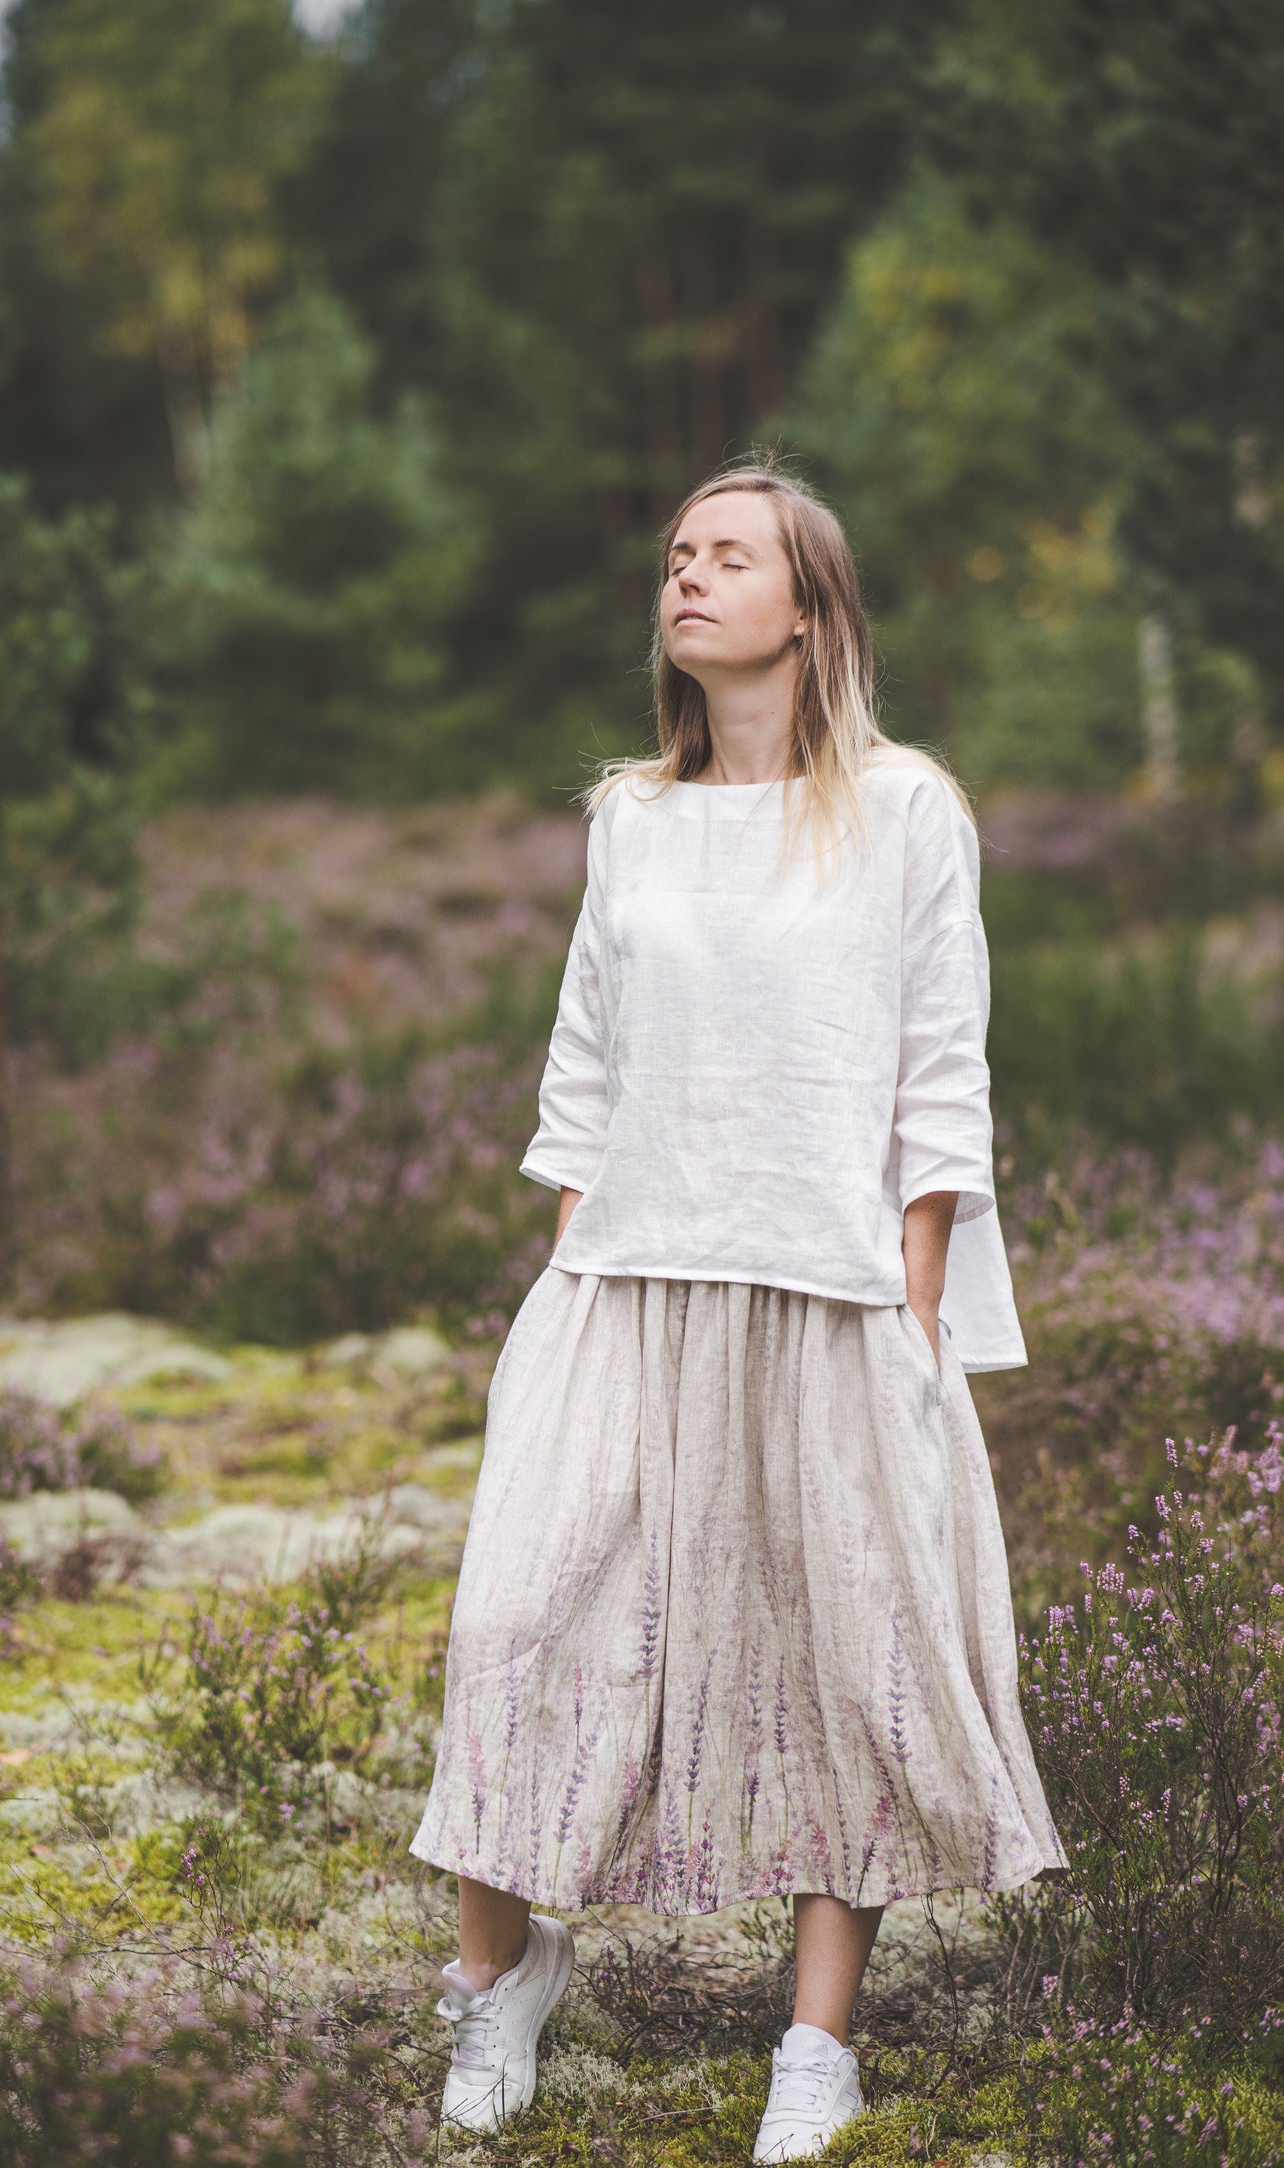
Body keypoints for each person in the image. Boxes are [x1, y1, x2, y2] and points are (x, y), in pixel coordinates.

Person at [408, 462, 1066, 2162]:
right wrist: (573, 1271)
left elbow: (939, 1084)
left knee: (837, 1660)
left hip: (833, 1299)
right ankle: (500, 1979)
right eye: (673, 555)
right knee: (510, 1626)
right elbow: (584, 1073)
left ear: (807, 607)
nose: (685, 577)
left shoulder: (908, 810)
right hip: (624, 1289)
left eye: (727, 555)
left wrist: (911, 1326)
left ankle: (814, 2044)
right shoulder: (627, 814)